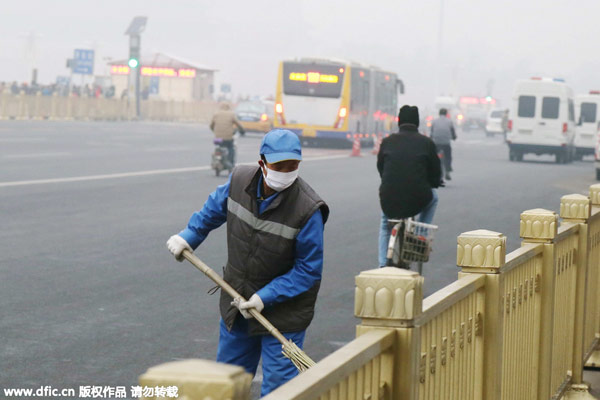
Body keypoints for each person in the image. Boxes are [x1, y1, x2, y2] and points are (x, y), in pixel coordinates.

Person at [166, 129, 329, 396]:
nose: (286, 171)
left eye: (293, 165)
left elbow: (308, 270)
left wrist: (266, 296)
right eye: (279, 165)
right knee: (229, 383)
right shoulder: (239, 180)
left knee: (279, 390)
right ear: (262, 163)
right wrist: (189, 236)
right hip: (238, 302)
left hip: (284, 315)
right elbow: (212, 211)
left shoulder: (308, 209)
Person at [377, 105, 442, 268]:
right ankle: (419, 237)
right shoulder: (426, 143)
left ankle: (382, 265)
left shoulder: (387, 142)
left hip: (389, 196)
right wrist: (434, 182)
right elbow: (436, 172)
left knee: (386, 224)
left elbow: (381, 168)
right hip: (417, 197)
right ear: (417, 122)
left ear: (399, 121)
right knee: (434, 198)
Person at [430, 108, 456, 180]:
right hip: (446, 142)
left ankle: (434, 170)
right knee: (448, 156)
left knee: (435, 156)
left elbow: (432, 132)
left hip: (437, 142)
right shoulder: (449, 121)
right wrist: (454, 137)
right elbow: (452, 131)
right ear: (446, 114)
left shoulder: (435, 121)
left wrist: (431, 137)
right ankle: (447, 170)